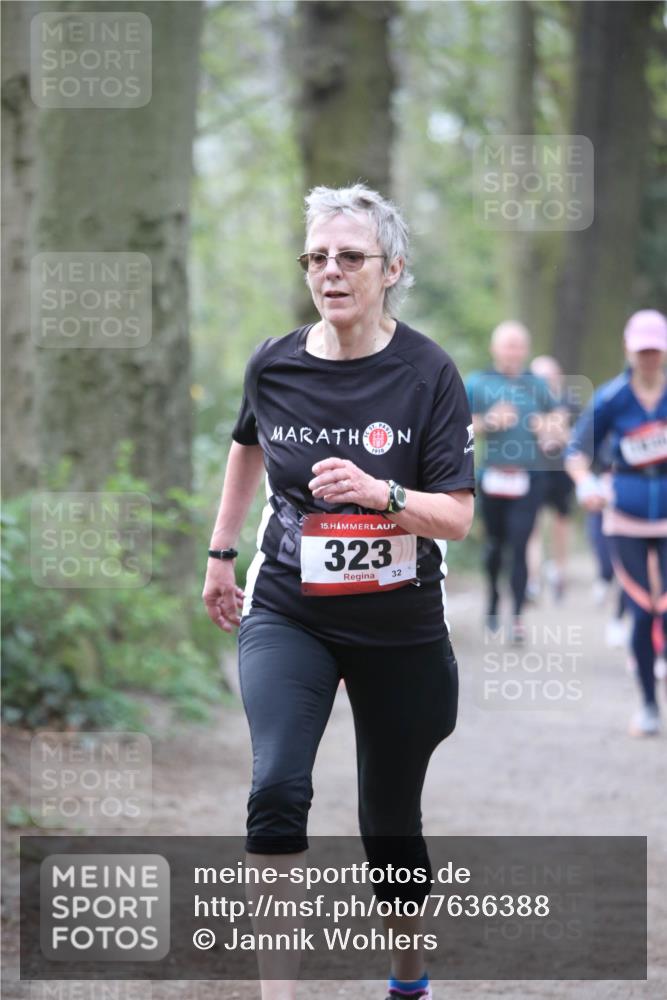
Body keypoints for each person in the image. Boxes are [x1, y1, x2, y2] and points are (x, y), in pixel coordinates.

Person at [202, 184, 475, 1000]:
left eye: (349, 256)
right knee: (277, 790)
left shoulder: (428, 373)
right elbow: (246, 445)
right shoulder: (274, 362)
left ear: (391, 269)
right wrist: (221, 552)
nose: (330, 270)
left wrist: (379, 493)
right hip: (291, 610)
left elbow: (456, 518)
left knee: (388, 828)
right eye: (317, 257)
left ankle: (406, 973)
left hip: (399, 625)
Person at [566, 309, 667, 737]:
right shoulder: (611, 398)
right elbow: (575, 451)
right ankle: (647, 703)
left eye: (655, 350)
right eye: (641, 350)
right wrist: (586, 483)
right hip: (624, 517)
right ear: (629, 349)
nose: (648, 358)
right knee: (643, 612)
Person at [465, 322, 554, 642]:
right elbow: (455, 424)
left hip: (529, 476)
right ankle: (492, 598)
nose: (513, 351)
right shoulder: (478, 383)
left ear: (526, 350)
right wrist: (489, 421)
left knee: (520, 544)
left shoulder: (538, 385)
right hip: (492, 474)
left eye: (518, 345)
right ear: (494, 348)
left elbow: (558, 423)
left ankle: (516, 615)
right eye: (507, 345)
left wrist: (548, 427)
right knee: (495, 546)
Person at [526, 355, 578, 603]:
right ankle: (533, 580)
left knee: (560, 524)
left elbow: (572, 438)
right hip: (534, 470)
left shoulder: (568, 401)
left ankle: (559, 572)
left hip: (561, 472)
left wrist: (553, 426)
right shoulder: (528, 401)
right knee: (532, 526)